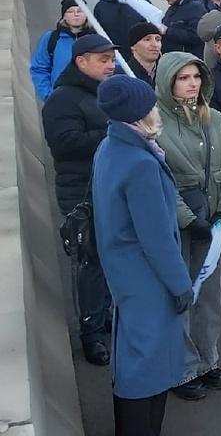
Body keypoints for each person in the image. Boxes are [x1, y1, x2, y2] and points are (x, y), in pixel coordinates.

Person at [92, 75, 192, 436]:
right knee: (147, 365)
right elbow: (157, 238)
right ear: (138, 114)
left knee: (134, 356)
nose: (155, 110)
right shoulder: (141, 163)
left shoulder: (109, 147)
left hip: (123, 271)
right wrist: (181, 285)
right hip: (147, 277)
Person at [152, 52, 221, 401]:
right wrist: (189, 219)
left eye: (196, 77)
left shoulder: (215, 118)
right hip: (178, 223)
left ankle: (207, 359)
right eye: (183, 78)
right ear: (168, 81)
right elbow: (160, 180)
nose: (192, 84)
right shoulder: (154, 121)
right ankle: (182, 367)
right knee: (180, 294)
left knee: (209, 296)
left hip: (212, 219)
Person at [42, 34, 120, 366]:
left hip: (111, 186)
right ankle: (91, 333)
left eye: (112, 59)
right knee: (89, 262)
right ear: (81, 62)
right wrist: (114, 132)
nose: (110, 65)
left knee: (111, 258)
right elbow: (64, 143)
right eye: (103, 60)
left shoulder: (107, 93)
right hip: (81, 192)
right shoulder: (63, 98)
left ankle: (105, 315)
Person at [31, 0, 95, 100]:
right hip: (61, 99)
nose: (76, 14)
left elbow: (110, 66)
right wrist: (48, 95)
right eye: (70, 11)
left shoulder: (97, 38)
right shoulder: (52, 38)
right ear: (64, 16)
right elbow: (39, 68)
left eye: (80, 10)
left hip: (91, 99)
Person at [126, 22, 164, 87]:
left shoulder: (167, 73)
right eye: (147, 39)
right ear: (133, 46)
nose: (155, 45)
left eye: (158, 39)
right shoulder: (125, 73)